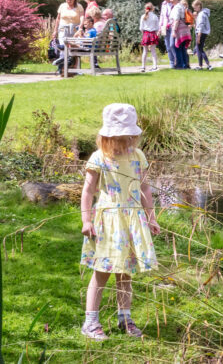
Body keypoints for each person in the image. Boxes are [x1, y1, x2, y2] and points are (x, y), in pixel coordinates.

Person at [80, 103, 160, 341]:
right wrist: (86, 220)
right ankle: (91, 321)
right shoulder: (99, 159)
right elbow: (88, 192)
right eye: (119, 138)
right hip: (108, 221)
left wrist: (151, 215)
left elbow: (144, 187)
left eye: (128, 138)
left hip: (132, 220)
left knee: (125, 273)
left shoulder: (138, 156)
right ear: (106, 137)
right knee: (102, 272)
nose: (125, 143)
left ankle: (124, 317)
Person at [139, 3, 160, 72]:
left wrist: (144, 34)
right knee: (153, 51)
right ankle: (155, 66)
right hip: (153, 34)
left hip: (145, 34)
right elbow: (157, 28)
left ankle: (143, 67)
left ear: (146, 8)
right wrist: (157, 34)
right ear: (153, 8)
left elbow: (141, 28)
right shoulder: (155, 16)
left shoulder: (143, 16)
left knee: (145, 51)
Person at [160, 0, 177, 69]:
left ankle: (177, 60)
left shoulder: (174, 4)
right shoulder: (163, 4)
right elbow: (162, 16)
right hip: (164, 27)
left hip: (172, 26)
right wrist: (160, 27)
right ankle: (171, 63)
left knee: (172, 45)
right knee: (167, 45)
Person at [173, 0, 192, 69]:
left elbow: (177, 20)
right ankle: (185, 65)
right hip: (187, 32)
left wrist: (174, 30)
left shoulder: (179, 9)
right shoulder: (187, 11)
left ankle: (180, 65)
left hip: (180, 32)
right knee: (184, 49)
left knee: (178, 48)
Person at [193, 0, 212, 70]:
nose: (194, 9)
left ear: (198, 6)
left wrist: (198, 36)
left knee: (199, 49)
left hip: (201, 33)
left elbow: (200, 26)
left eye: (195, 7)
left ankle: (202, 66)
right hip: (203, 33)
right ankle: (206, 65)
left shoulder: (201, 14)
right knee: (200, 49)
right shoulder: (203, 13)